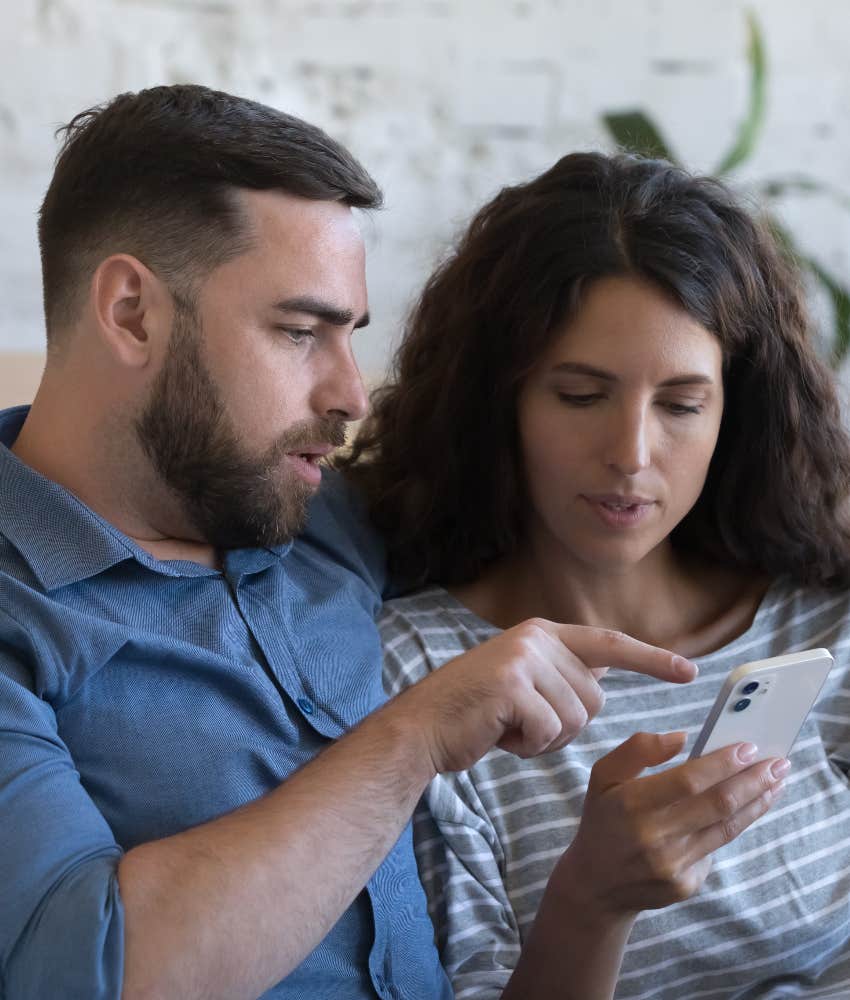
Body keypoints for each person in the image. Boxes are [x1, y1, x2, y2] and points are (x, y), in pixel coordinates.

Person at [0, 85, 771, 1000]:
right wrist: (412, 740)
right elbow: (83, 976)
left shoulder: (313, 508)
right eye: (299, 332)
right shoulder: (24, 612)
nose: (352, 396)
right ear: (132, 312)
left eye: (350, 336)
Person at [349, 152, 850, 998]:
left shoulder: (823, 623)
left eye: (683, 405)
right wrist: (591, 900)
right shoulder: (424, 680)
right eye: (581, 395)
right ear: (497, 401)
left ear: (739, 410)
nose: (630, 455)